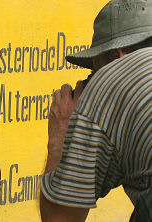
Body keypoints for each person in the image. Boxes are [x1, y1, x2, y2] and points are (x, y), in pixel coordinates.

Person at [40, 0, 152, 221]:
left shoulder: (111, 78)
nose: (93, 77)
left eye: (94, 68)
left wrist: (60, 135)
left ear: (119, 54)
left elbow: (59, 218)